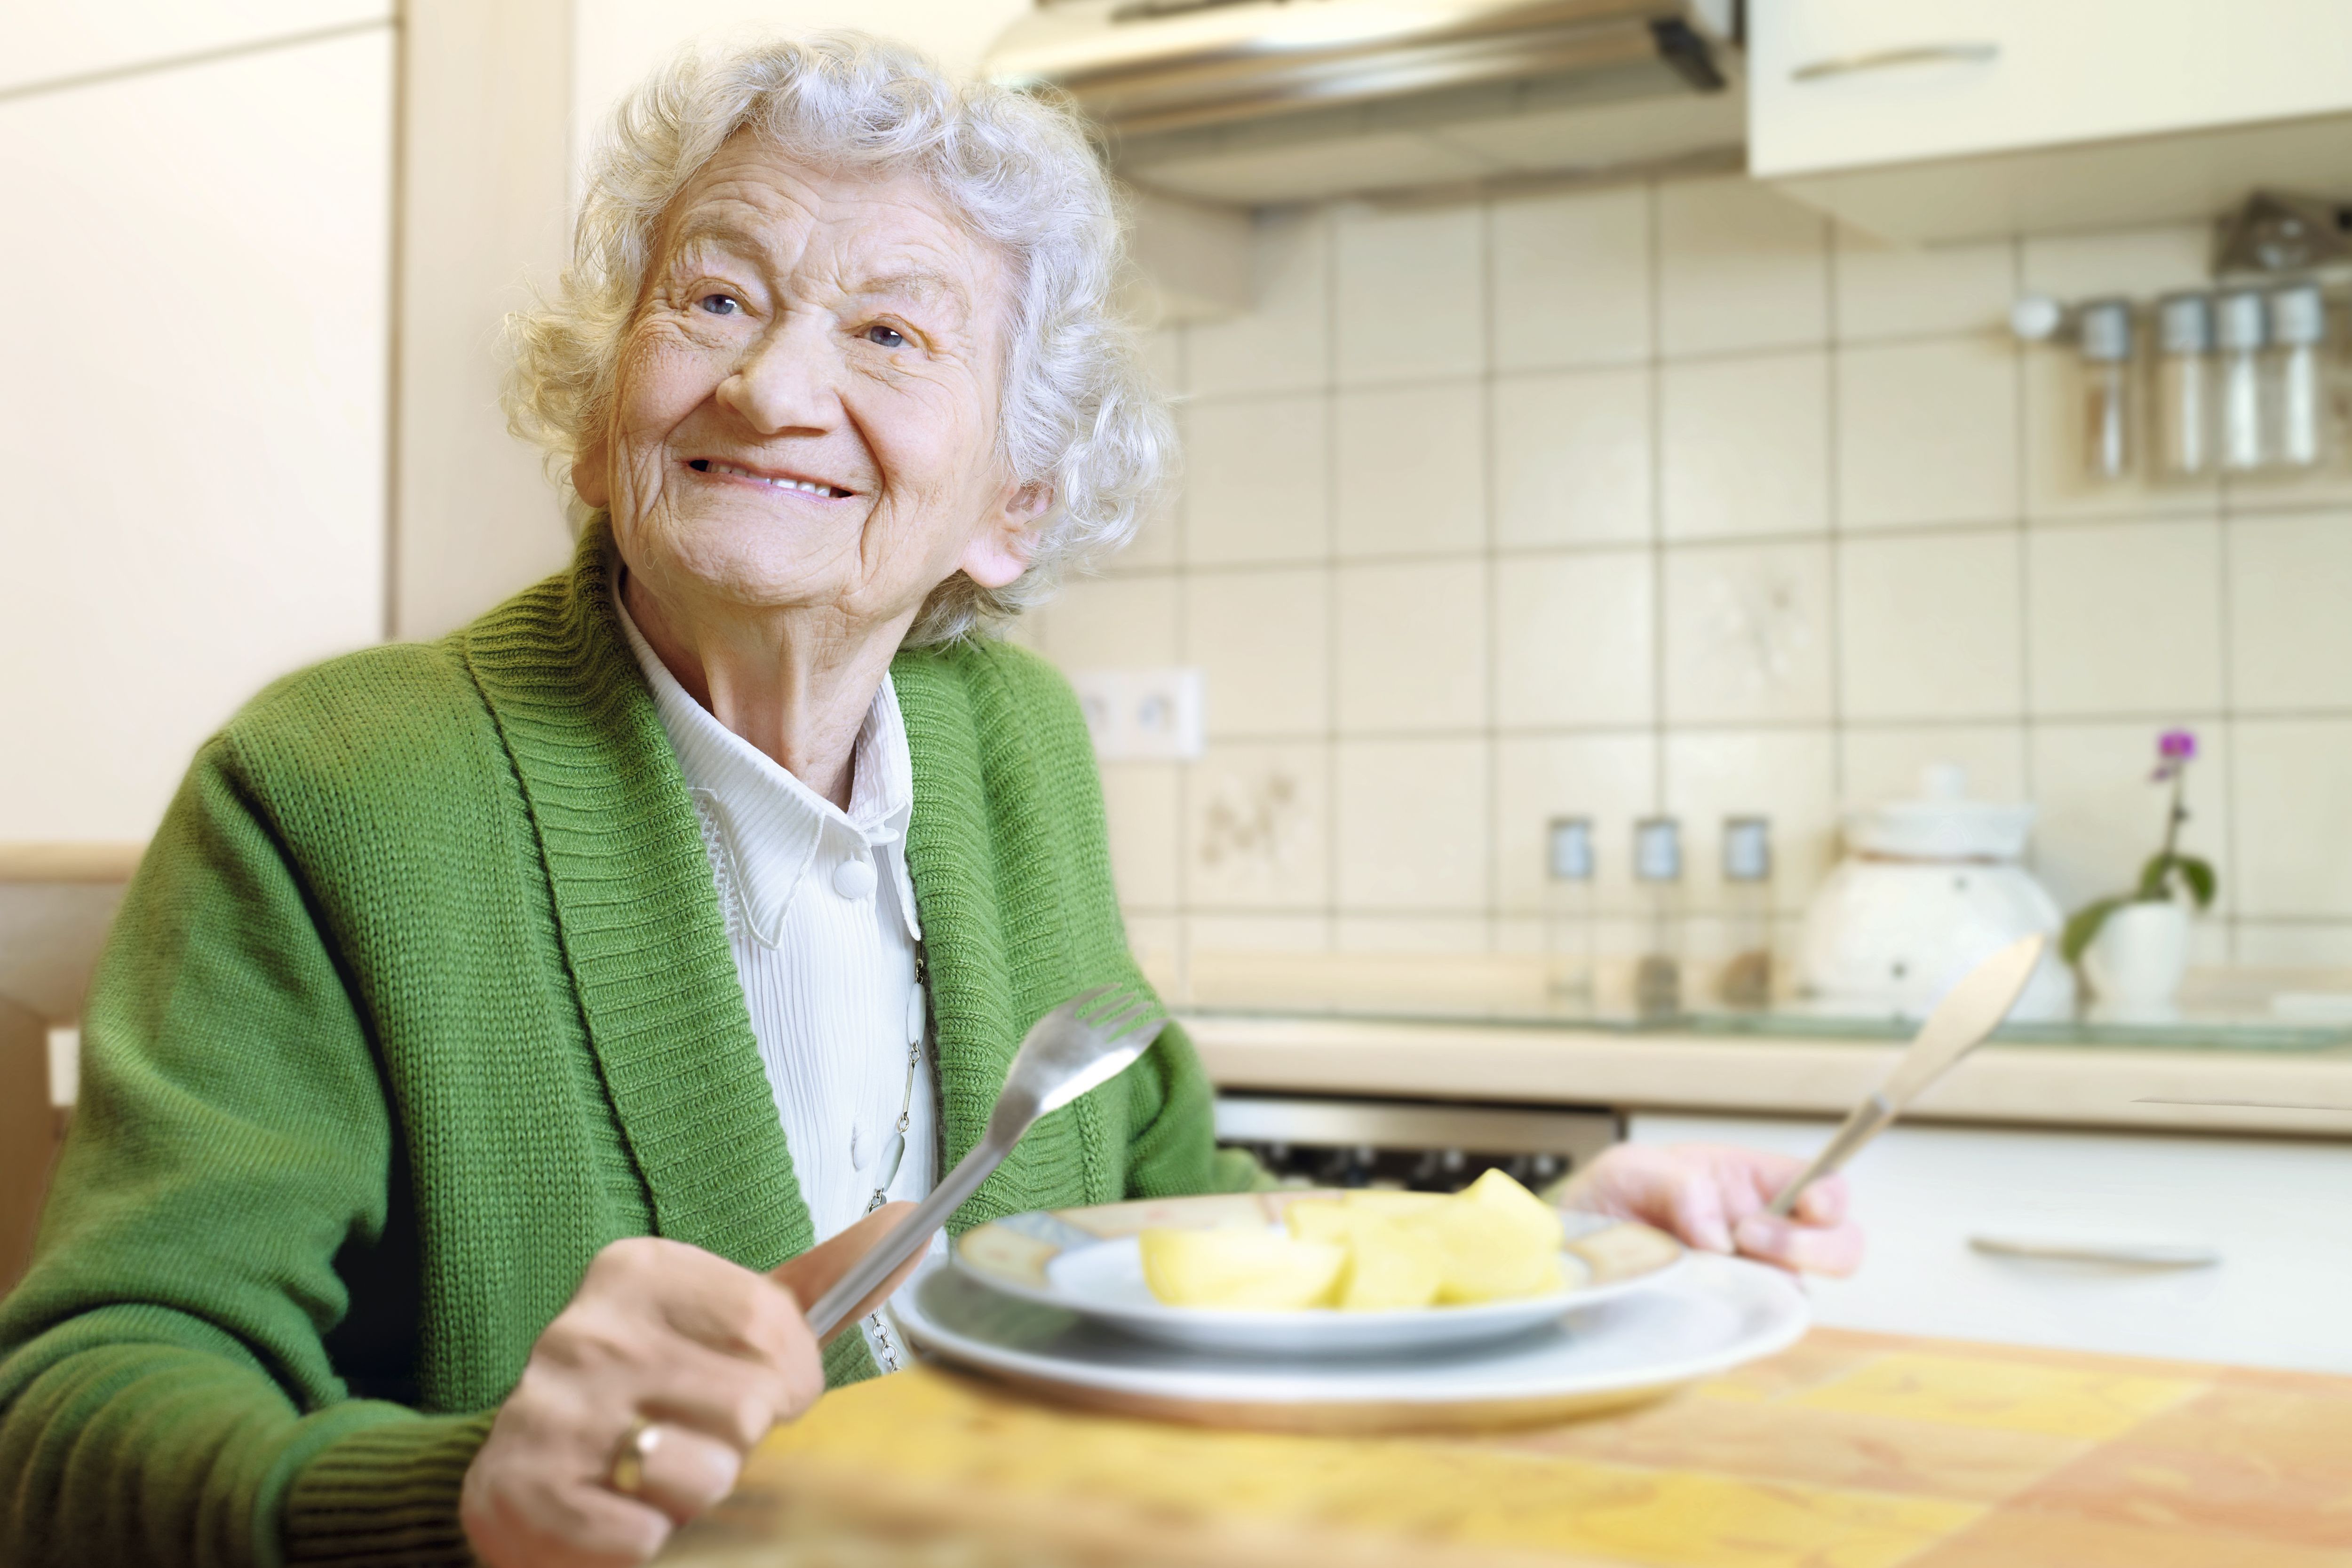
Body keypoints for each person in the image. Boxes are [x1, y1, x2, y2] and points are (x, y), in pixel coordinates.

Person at [0, 33, 1859, 1568]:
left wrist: (1537, 1235)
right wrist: (461, 1496)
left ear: (1011, 508)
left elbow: (1162, 1221)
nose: (771, 379)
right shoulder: (334, 786)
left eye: (889, 335)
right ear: (595, 410)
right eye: (713, 294)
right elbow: (80, 1408)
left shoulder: (1009, 749)